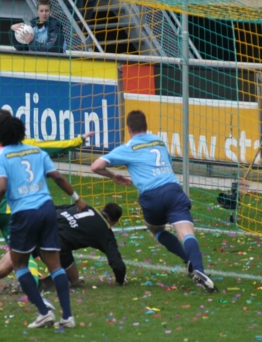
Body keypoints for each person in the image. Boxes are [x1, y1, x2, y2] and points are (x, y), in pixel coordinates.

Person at [91, 110, 217, 293]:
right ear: (146, 126)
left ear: (128, 129)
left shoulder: (128, 148)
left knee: (156, 229)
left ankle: (186, 260)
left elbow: (96, 166)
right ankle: (198, 268)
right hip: (173, 190)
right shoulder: (159, 141)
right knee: (186, 232)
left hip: (151, 196)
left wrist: (113, 175)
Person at [0, 114, 87, 329]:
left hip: (24, 213)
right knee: (54, 264)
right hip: (47, 209)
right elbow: (57, 177)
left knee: (19, 264)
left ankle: (44, 312)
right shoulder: (37, 152)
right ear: (22, 132)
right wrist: (77, 199)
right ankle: (67, 316)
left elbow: (0, 187)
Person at [0, 202, 127, 288]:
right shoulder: (104, 231)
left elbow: (54, 208)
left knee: (1, 269)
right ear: (113, 222)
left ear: (102, 209)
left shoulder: (85, 206)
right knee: (73, 280)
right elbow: (118, 263)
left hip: (35, 229)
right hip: (55, 245)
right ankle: (40, 285)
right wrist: (120, 280)